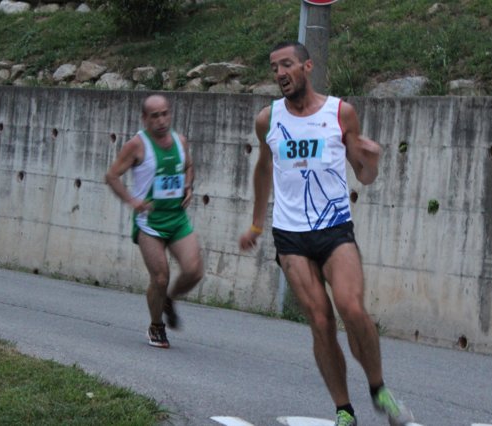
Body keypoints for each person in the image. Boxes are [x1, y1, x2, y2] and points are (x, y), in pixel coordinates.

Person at [239, 41, 415, 426]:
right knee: (320, 322)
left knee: (352, 308)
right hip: (290, 235)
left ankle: (379, 389)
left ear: (307, 66)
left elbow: (364, 176)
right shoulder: (268, 120)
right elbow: (264, 169)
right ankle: (344, 409)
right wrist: (255, 224)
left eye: (286, 64)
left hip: (334, 227)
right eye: (274, 68)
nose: (279, 73)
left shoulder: (340, 112)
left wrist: (372, 160)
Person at [105, 94, 204, 349]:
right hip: (150, 222)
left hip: (177, 218)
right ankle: (156, 325)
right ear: (145, 118)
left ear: (170, 114)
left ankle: (169, 299)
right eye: (155, 116)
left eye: (165, 114)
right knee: (160, 278)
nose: (161, 120)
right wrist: (132, 201)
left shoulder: (181, 141)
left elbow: (189, 166)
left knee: (194, 271)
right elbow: (112, 176)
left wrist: (189, 186)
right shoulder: (136, 146)